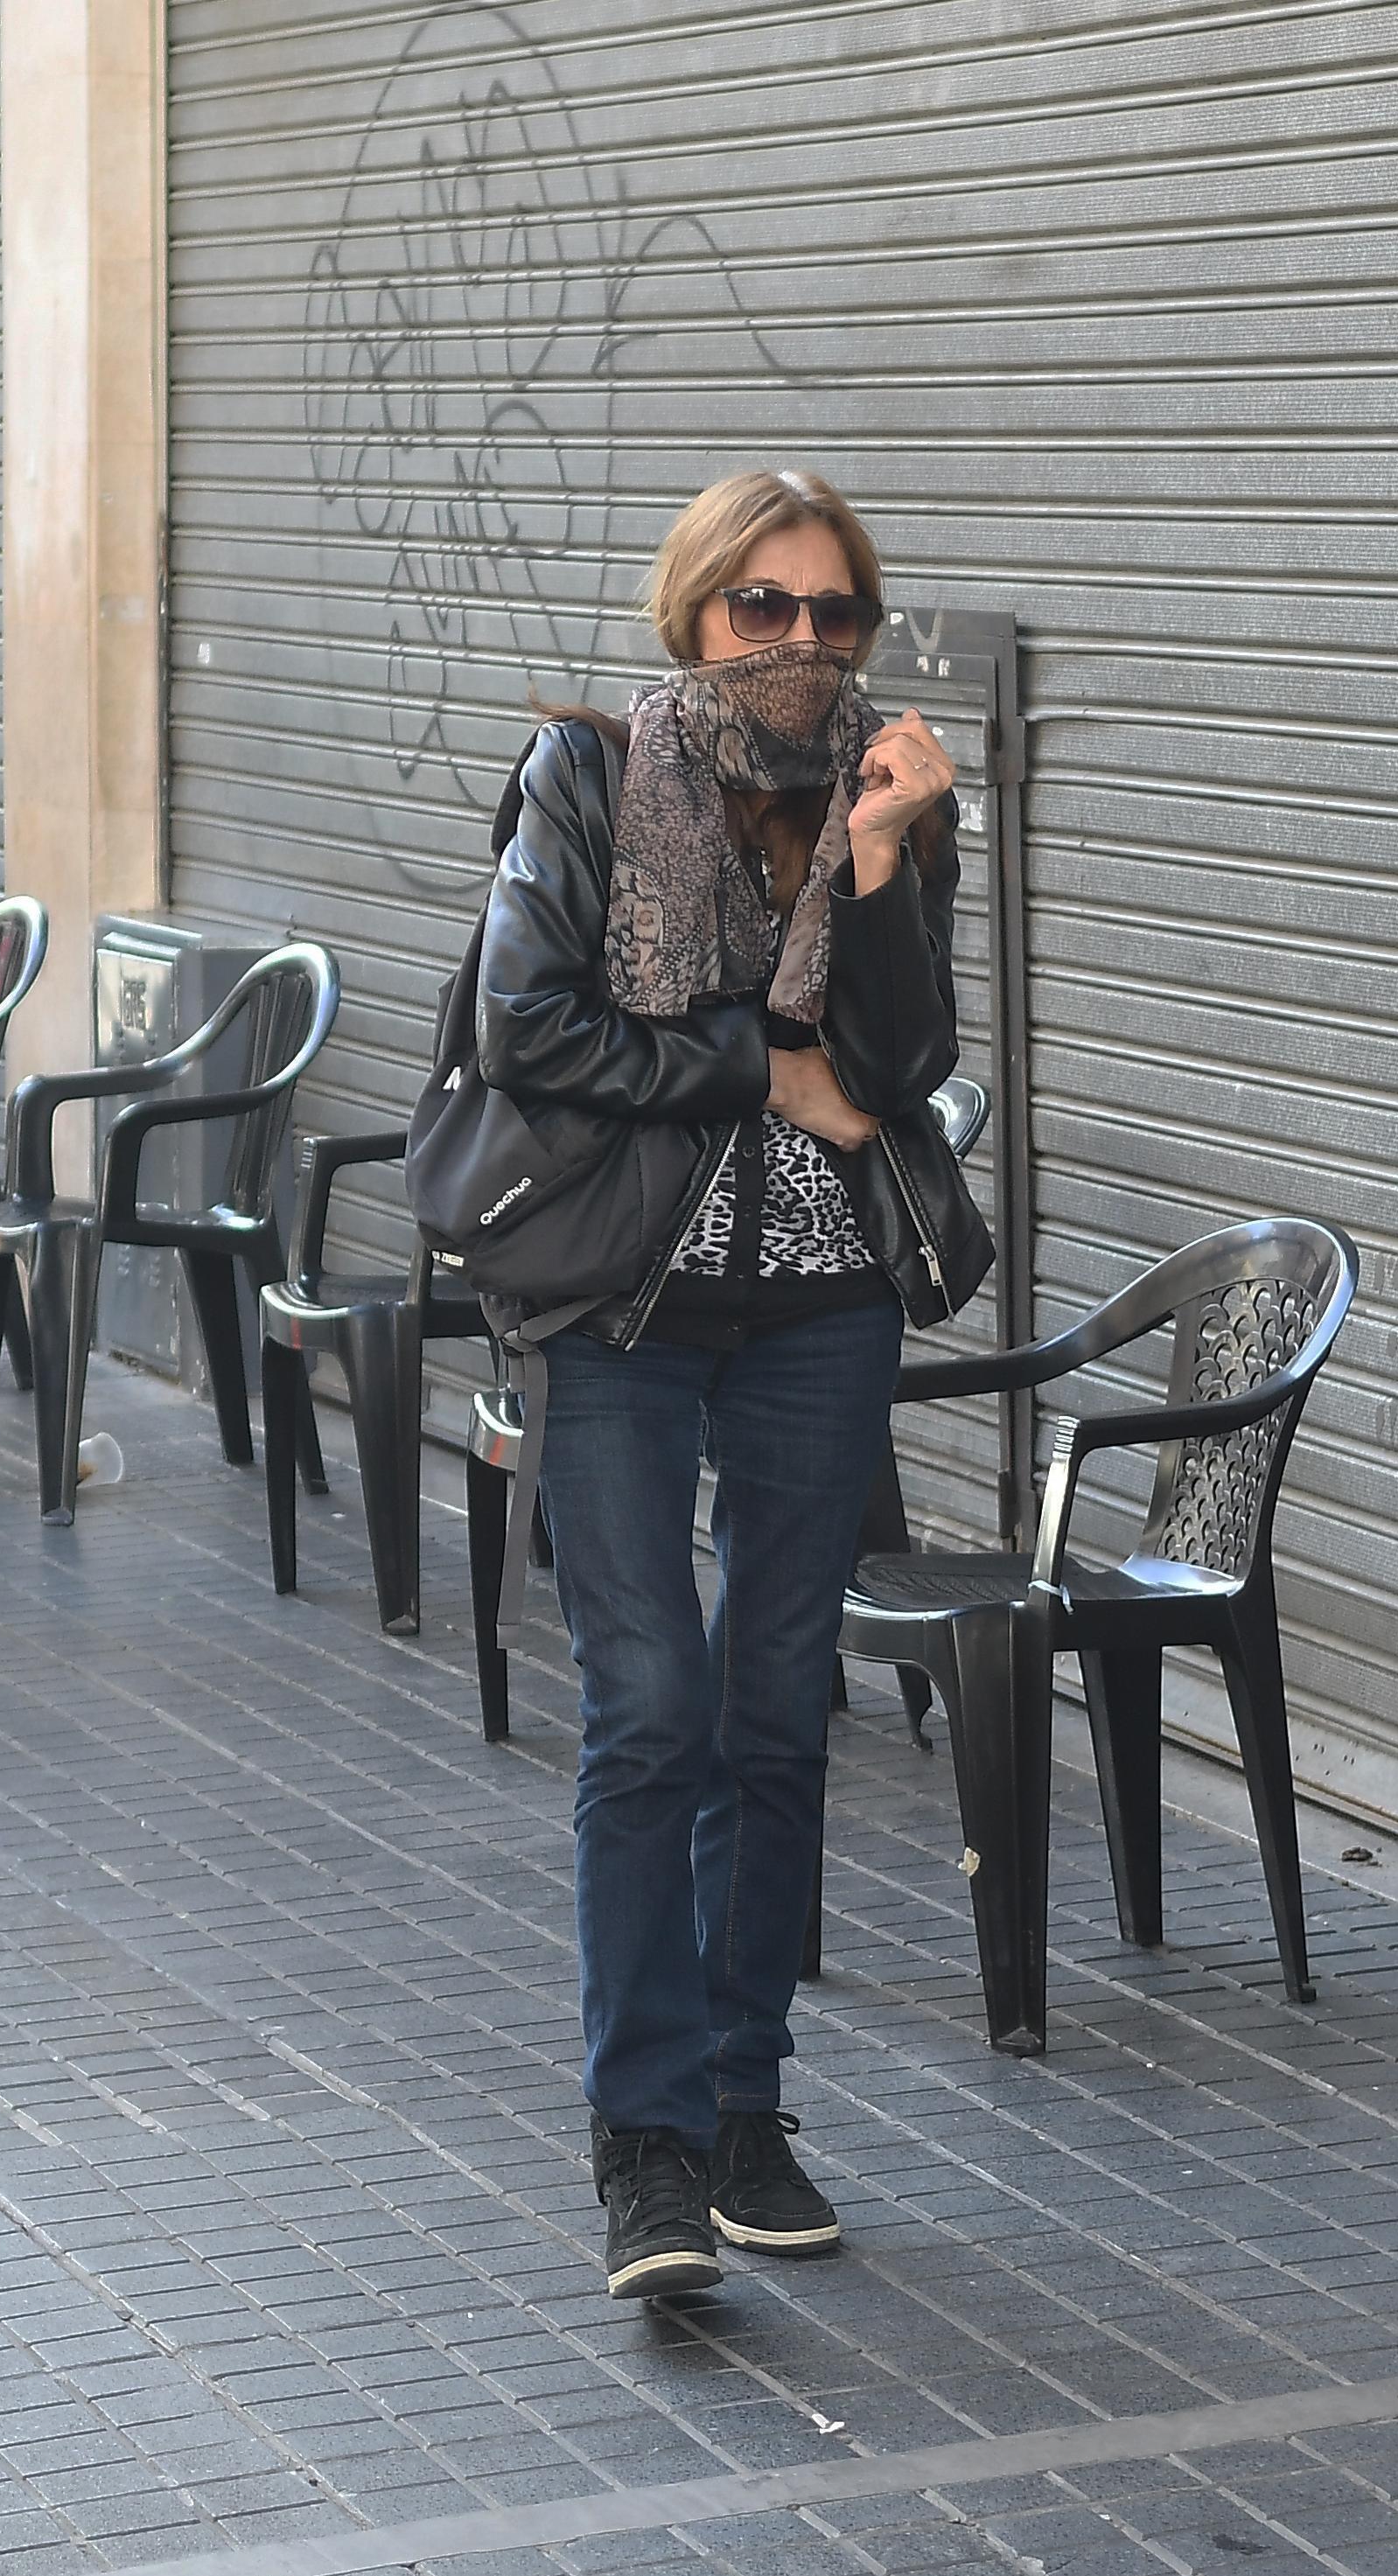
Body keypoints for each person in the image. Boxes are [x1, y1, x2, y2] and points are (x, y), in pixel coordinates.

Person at [447, 471, 982, 2303]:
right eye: (762, 607)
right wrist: (760, 1070)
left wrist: (888, 866)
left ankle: (746, 2107)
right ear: (691, 617)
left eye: (834, 613)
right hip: (620, 1297)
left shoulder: (890, 799)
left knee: (770, 1702)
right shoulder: (589, 779)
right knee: (648, 1701)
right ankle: (643, 2143)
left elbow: (904, 1063)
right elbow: (532, 1025)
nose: (802, 644)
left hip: (821, 1303)